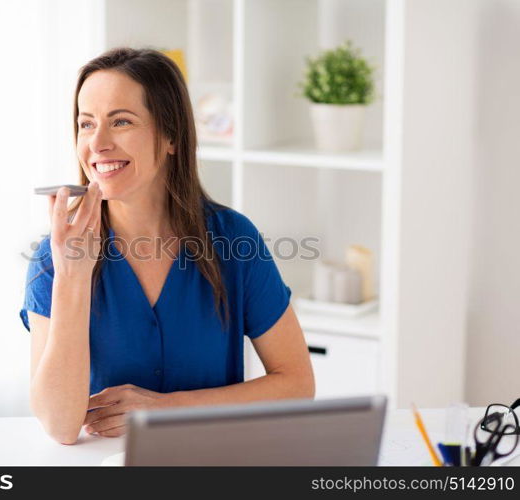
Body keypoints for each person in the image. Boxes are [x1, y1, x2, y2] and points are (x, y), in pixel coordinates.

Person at [20, 47, 315, 445]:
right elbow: (59, 426)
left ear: (171, 135)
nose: (98, 143)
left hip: (215, 460)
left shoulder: (233, 240)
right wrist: (72, 277)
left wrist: (165, 408)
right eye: (86, 125)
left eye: (120, 121)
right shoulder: (53, 258)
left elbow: (297, 385)